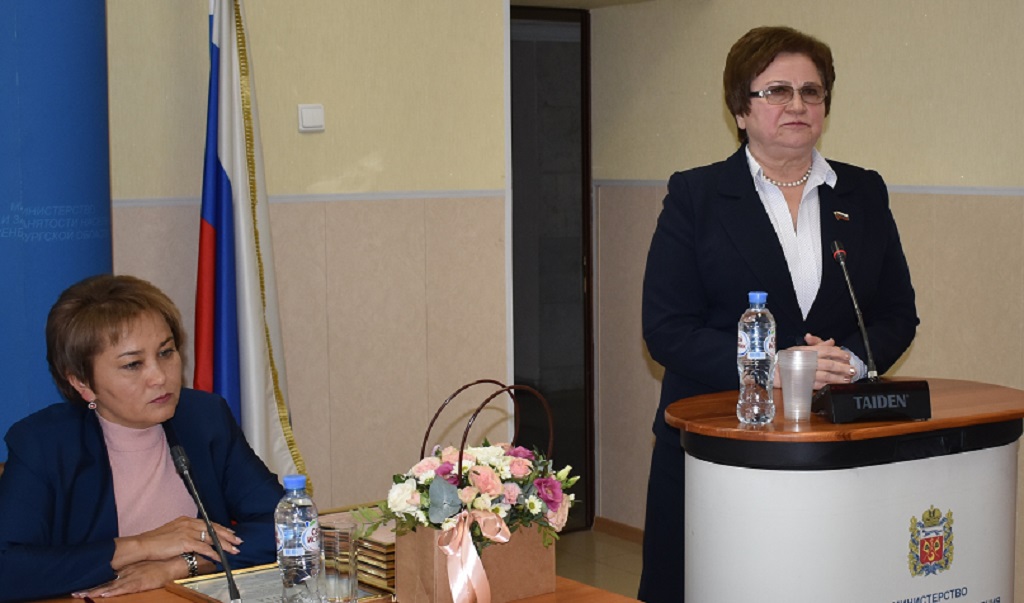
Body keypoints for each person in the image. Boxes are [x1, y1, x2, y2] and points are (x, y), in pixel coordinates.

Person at [638, 26, 918, 602]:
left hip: (836, 446)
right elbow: (666, 329)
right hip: (718, 446)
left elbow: (897, 312)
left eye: (811, 92)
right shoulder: (696, 196)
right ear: (741, 110)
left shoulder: (862, 192)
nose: (797, 105)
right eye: (776, 91)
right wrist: (777, 368)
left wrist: (850, 364)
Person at [0, 274, 285, 601]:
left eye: (166, 352)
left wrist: (183, 564)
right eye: (133, 364)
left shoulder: (204, 418)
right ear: (82, 383)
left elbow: (286, 525)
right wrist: (142, 546)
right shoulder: (44, 443)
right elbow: (7, 568)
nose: (160, 377)